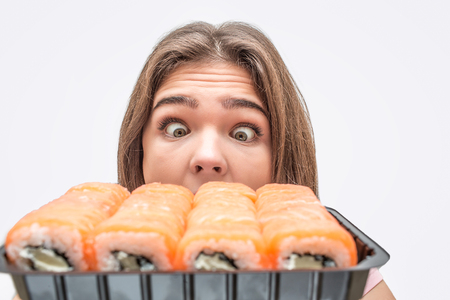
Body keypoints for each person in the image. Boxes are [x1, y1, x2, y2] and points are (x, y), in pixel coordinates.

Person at [13, 21, 394, 300]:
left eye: (243, 132)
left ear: (281, 154)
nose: (208, 158)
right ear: (139, 147)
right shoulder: (62, 279)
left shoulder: (345, 281)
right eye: (177, 129)